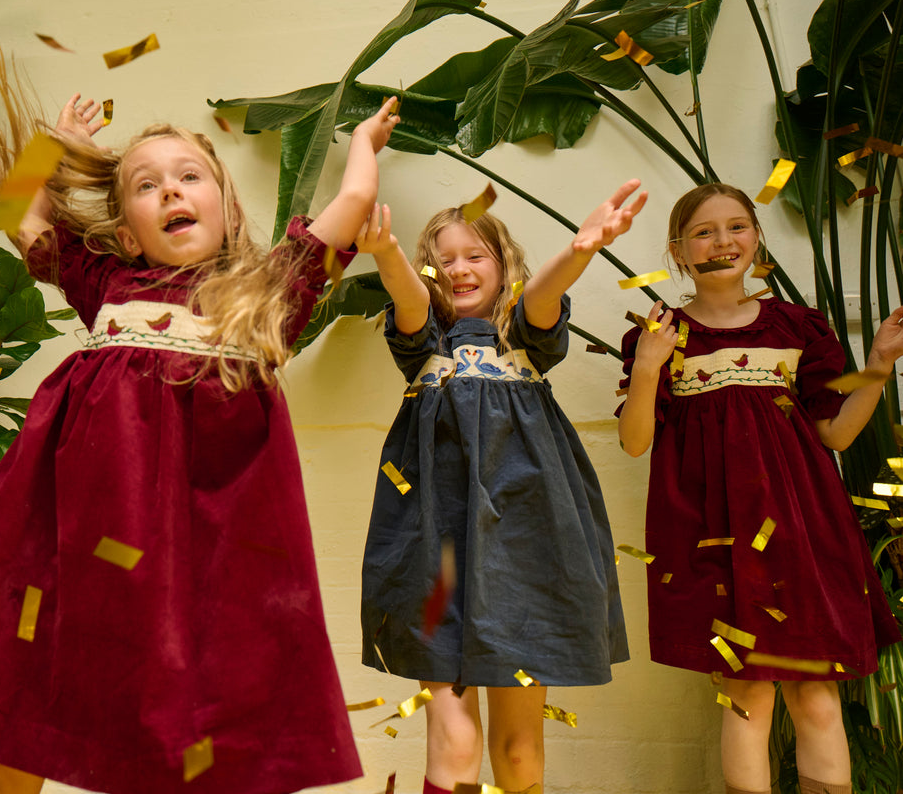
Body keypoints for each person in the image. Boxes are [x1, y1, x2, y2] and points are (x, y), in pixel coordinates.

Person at [0, 88, 401, 793]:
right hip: (74, 533)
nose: (170, 188)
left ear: (226, 205)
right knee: (27, 685)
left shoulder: (268, 289)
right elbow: (15, 209)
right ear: (126, 230)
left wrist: (362, 144)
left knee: (203, 709)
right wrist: (52, 146)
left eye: (188, 176)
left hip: (198, 555)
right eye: (146, 185)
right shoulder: (106, 278)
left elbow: (352, 203)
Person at [356, 183, 644, 794]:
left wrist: (581, 248)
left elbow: (542, 298)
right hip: (435, 548)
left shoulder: (528, 339)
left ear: (503, 263)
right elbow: (409, 298)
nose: (459, 269)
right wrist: (387, 255)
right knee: (455, 740)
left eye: (475, 255)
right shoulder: (425, 340)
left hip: (528, 548)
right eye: (443, 259)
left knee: (518, 751)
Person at [618, 183, 903, 794]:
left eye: (737, 227)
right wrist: (647, 366)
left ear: (756, 237)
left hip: (803, 531)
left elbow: (836, 435)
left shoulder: (798, 327)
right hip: (711, 538)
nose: (723, 242)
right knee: (746, 694)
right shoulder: (661, 332)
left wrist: (878, 363)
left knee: (817, 694)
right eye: (704, 231)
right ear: (677, 248)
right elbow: (636, 441)